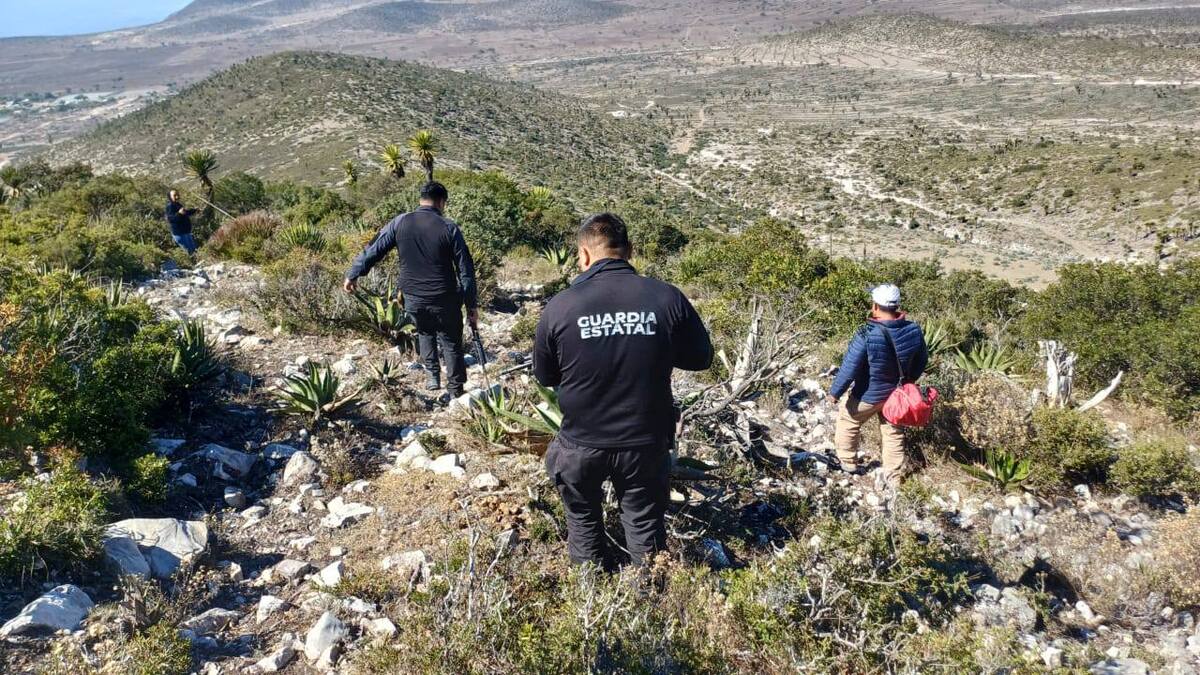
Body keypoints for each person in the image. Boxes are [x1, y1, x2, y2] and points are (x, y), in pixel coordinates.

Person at [533, 213, 712, 570]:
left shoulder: (559, 307)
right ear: (630, 251)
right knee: (644, 526)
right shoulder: (667, 298)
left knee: (583, 525)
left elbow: (546, 376)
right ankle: (647, 601)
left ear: (583, 256)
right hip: (644, 444)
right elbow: (701, 358)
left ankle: (589, 600)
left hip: (581, 443)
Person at [343, 182, 478, 397]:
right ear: (442, 202)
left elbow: (374, 249)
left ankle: (432, 376)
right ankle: (455, 390)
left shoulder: (400, 222)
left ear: (421, 199)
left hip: (413, 295)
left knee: (424, 331)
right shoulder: (449, 227)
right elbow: (466, 271)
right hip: (445, 296)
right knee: (451, 341)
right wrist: (472, 305)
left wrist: (353, 274)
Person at [826, 283, 928, 486]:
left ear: (875, 306)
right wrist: (908, 381)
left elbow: (850, 367)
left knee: (849, 421)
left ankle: (848, 463)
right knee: (893, 433)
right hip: (897, 395)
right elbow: (922, 360)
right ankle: (894, 477)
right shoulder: (913, 330)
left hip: (868, 394)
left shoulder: (866, 332)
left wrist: (835, 392)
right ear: (897, 306)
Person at [165, 190, 199, 255]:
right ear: (170, 197)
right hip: (180, 234)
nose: (177, 197)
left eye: (177, 195)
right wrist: (179, 214)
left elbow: (185, 213)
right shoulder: (170, 206)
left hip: (186, 232)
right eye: (174, 195)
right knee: (191, 253)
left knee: (194, 250)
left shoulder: (177, 204)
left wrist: (194, 210)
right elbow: (170, 219)